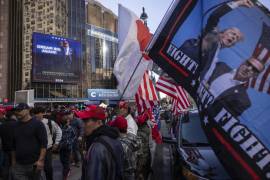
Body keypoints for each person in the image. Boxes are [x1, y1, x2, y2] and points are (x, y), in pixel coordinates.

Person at [179, 0, 253, 83]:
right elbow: (214, 16)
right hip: (177, 74)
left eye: (236, 38)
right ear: (222, 33)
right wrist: (238, 3)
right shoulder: (212, 37)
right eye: (233, 33)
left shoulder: (215, 56)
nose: (233, 37)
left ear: (231, 45)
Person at [81, 107, 124, 180]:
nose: (83, 125)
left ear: (99, 122)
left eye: (86, 121)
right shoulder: (114, 138)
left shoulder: (97, 148)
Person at [12, 103, 47, 180]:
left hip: (34, 164)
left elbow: (43, 144)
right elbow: (14, 145)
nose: (17, 112)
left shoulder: (38, 124)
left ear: (28, 110)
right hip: (19, 165)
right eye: (16, 110)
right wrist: (13, 161)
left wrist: (40, 161)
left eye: (19, 110)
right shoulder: (15, 125)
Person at [32, 106, 62, 180]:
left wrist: (56, 143)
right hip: (35, 150)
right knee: (35, 169)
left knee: (48, 168)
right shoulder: (31, 123)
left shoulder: (49, 122)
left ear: (42, 113)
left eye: (38, 113)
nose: (36, 115)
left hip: (47, 148)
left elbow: (59, 131)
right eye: (35, 113)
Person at [110, 116, 141, 180]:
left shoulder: (121, 145)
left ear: (116, 129)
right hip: (132, 173)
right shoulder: (132, 138)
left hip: (124, 175)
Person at [59, 111, 77, 180]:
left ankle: (65, 176)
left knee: (66, 162)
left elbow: (74, 136)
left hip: (68, 148)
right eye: (68, 121)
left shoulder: (70, 128)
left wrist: (70, 142)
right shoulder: (60, 128)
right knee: (62, 161)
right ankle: (67, 169)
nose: (69, 122)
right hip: (61, 147)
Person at [0, 108, 16, 180]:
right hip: (16, 149)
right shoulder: (17, 124)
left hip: (5, 149)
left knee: (5, 167)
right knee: (14, 166)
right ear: (13, 116)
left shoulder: (2, 125)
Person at [136, 112, 152, 180]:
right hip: (147, 157)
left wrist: (139, 169)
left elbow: (140, 153)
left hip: (143, 161)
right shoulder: (147, 129)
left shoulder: (140, 134)